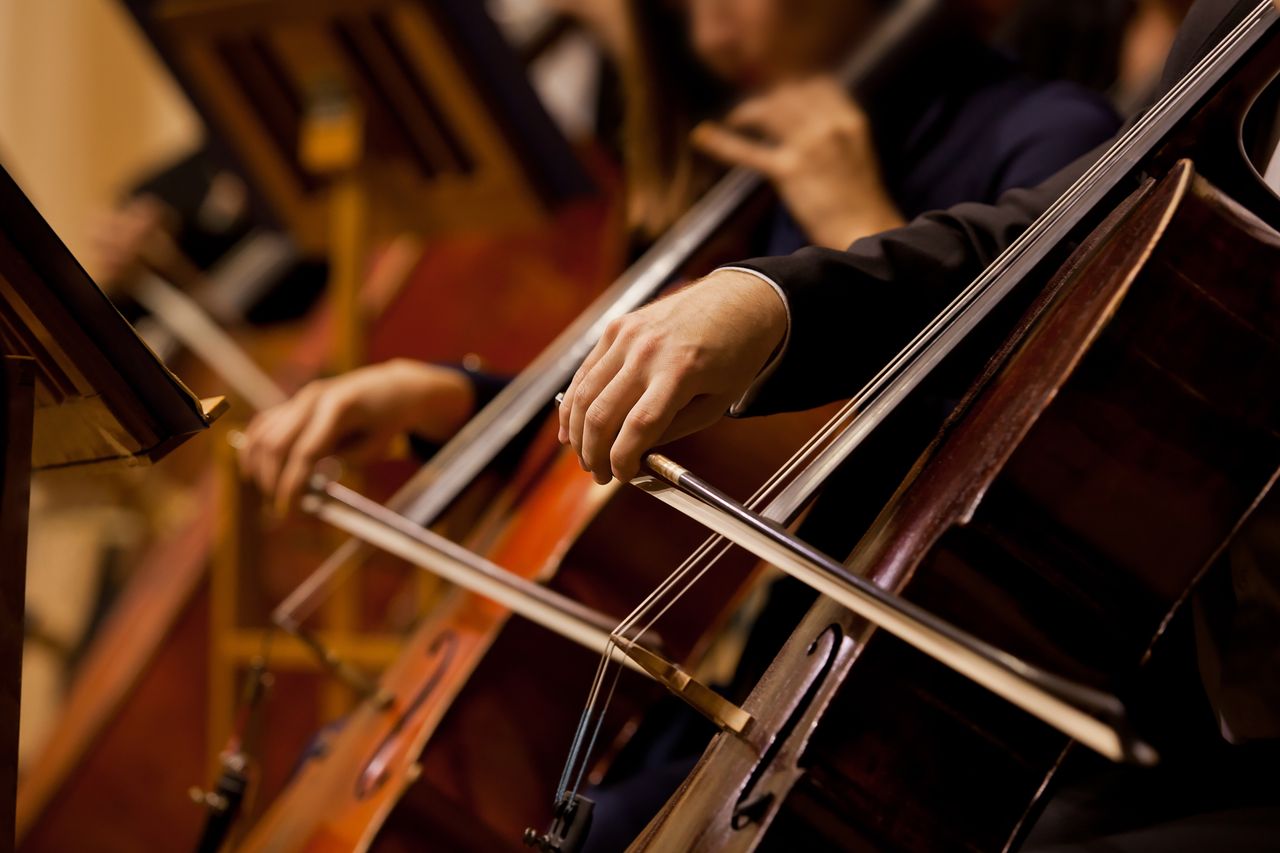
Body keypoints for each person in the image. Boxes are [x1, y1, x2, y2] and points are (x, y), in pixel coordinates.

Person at [557, 0, 1280, 849]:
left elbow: (1024, 405)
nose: (708, 35)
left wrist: (851, 215)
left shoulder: (1032, 121)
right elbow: (1047, 243)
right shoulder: (1245, 18)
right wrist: (772, 300)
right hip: (1191, 692)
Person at [238, 0, 1119, 511]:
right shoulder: (752, 156)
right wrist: (457, 400)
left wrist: (855, 219)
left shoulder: (1054, 133)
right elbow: (717, 445)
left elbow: (1047, 468)